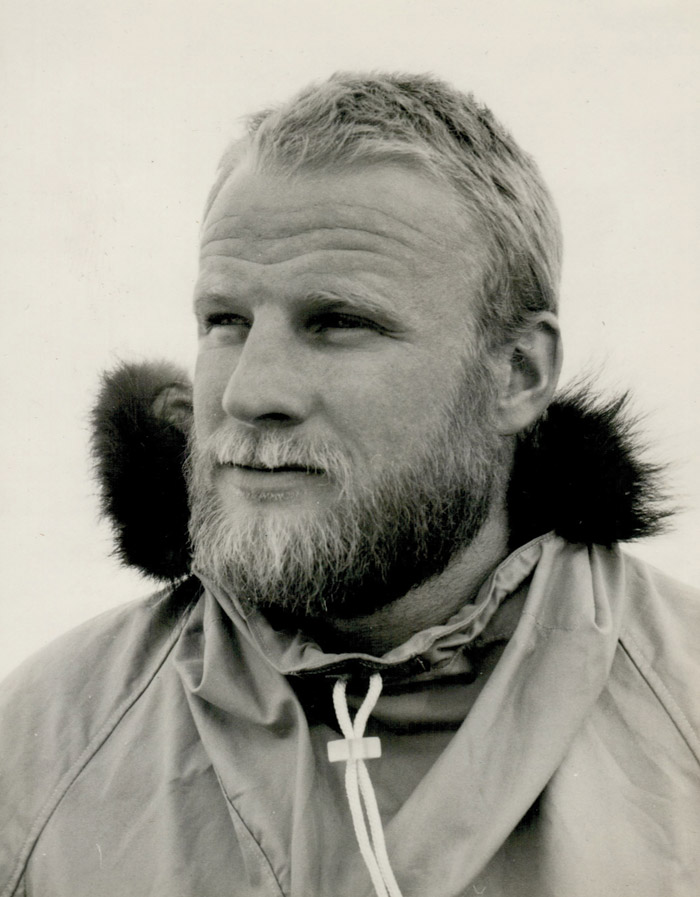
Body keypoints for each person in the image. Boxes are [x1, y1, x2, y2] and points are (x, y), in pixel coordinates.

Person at [1, 71, 698, 897]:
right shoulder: (40, 745)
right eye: (225, 321)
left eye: (339, 322)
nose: (248, 393)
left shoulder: (681, 713)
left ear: (517, 372)